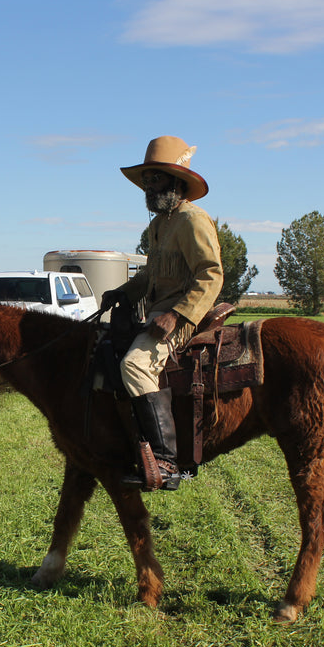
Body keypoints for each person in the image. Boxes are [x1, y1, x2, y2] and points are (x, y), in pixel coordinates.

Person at [100, 136, 224, 491]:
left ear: (177, 182)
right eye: (147, 180)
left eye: (156, 179)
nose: (149, 187)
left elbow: (211, 273)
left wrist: (178, 316)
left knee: (134, 365)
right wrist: (120, 292)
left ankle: (167, 461)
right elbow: (151, 275)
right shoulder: (158, 226)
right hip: (156, 312)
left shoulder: (191, 220)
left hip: (182, 317)